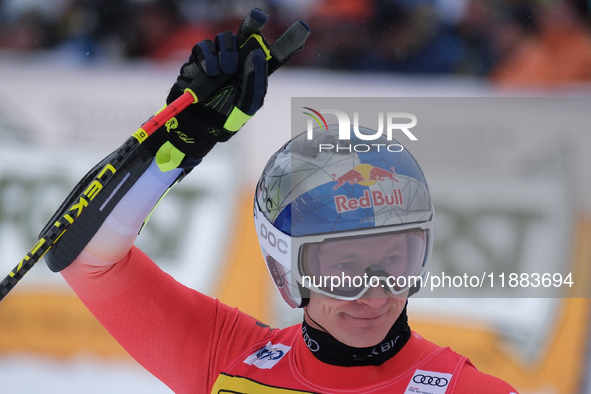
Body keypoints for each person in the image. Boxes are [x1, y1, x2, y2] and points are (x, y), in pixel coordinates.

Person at [43, 8, 519, 394]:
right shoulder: (227, 357)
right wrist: (175, 143)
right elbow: (83, 253)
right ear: (285, 268)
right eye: (345, 267)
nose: (374, 292)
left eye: (396, 261)